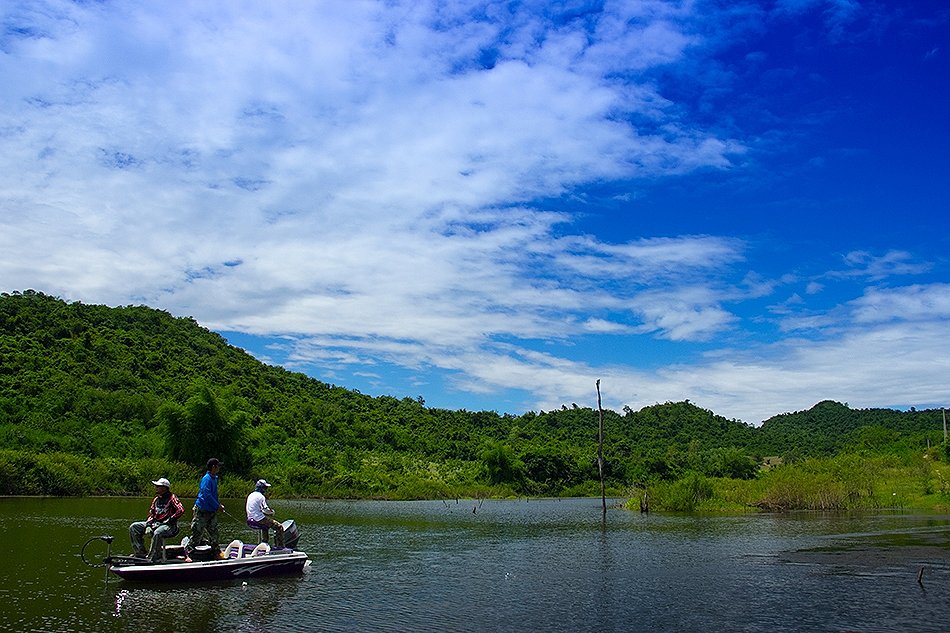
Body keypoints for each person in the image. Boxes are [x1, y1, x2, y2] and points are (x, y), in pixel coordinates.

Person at [129, 477, 184, 561]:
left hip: (169, 526)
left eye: (158, 486)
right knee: (134, 527)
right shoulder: (156, 500)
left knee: (158, 532)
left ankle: (154, 556)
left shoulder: (172, 498)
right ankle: (140, 553)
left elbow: (180, 510)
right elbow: (151, 514)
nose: (156, 488)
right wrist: (148, 525)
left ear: (164, 488)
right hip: (155, 523)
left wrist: (170, 519)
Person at [187, 457, 225, 560]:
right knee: (197, 532)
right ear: (213, 467)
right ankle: (188, 553)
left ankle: (216, 552)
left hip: (211, 511)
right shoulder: (206, 479)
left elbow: (213, 495)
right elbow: (206, 495)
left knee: (214, 533)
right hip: (202, 511)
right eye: (218, 466)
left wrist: (218, 505)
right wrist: (217, 506)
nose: (219, 468)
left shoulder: (214, 478)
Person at [245, 479, 284, 547]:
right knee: (279, 527)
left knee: (265, 526)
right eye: (265, 488)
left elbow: (258, 509)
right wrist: (272, 513)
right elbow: (266, 510)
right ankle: (280, 547)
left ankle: (264, 542)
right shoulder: (261, 497)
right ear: (262, 488)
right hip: (258, 519)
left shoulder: (251, 495)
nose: (266, 489)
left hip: (249, 519)